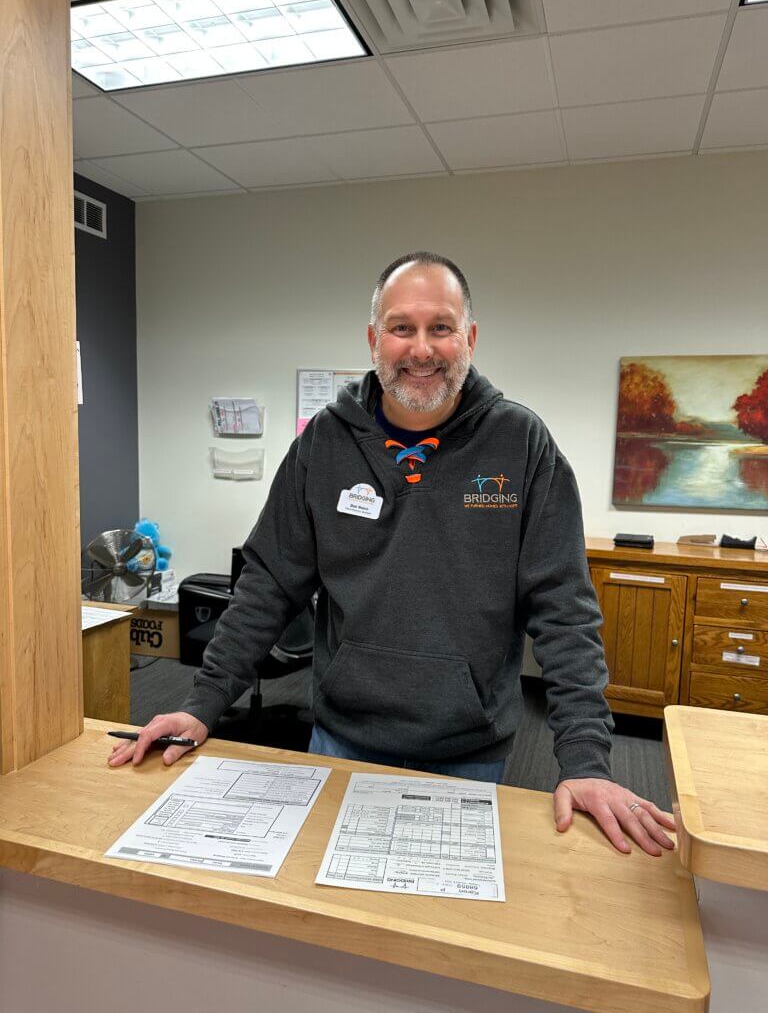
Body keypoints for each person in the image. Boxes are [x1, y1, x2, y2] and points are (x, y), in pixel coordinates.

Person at [110, 251, 675, 858]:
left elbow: (564, 611)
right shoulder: (324, 443)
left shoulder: (521, 444)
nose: (422, 349)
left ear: (471, 338)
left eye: (442, 327)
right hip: (341, 740)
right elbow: (269, 584)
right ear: (374, 339)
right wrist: (203, 705)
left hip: (469, 753)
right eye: (402, 328)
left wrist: (585, 761)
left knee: (443, 935)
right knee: (328, 926)